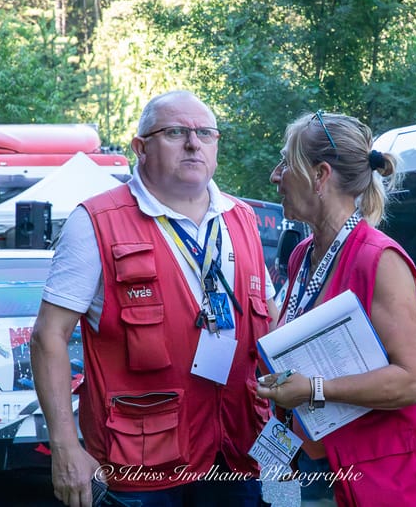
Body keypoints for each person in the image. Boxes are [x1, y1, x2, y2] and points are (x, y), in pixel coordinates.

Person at [30, 90, 279, 507]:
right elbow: (48, 337)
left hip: (235, 453)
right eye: (176, 132)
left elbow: (268, 317)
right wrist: (65, 446)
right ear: (140, 148)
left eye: (205, 133)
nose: (193, 143)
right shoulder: (95, 222)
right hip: (139, 467)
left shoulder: (242, 218)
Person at [256, 111, 416, 506]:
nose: (276, 176)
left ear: (320, 175)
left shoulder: (378, 261)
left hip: (378, 477)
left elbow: (414, 382)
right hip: (307, 462)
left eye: (286, 163)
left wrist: (312, 390)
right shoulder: (301, 254)